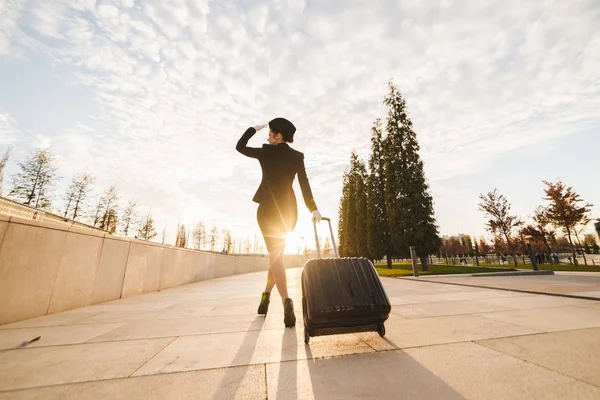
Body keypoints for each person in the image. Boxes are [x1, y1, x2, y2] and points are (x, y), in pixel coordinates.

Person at [236, 118, 322, 328]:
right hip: (288, 210)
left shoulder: (265, 152)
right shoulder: (297, 157)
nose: (267, 136)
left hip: (266, 209)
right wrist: (314, 208)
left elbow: (240, 147)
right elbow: (304, 184)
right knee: (276, 258)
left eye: (270, 133)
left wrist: (253, 129)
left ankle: (286, 301)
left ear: (279, 136)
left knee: (275, 258)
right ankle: (266, 296)